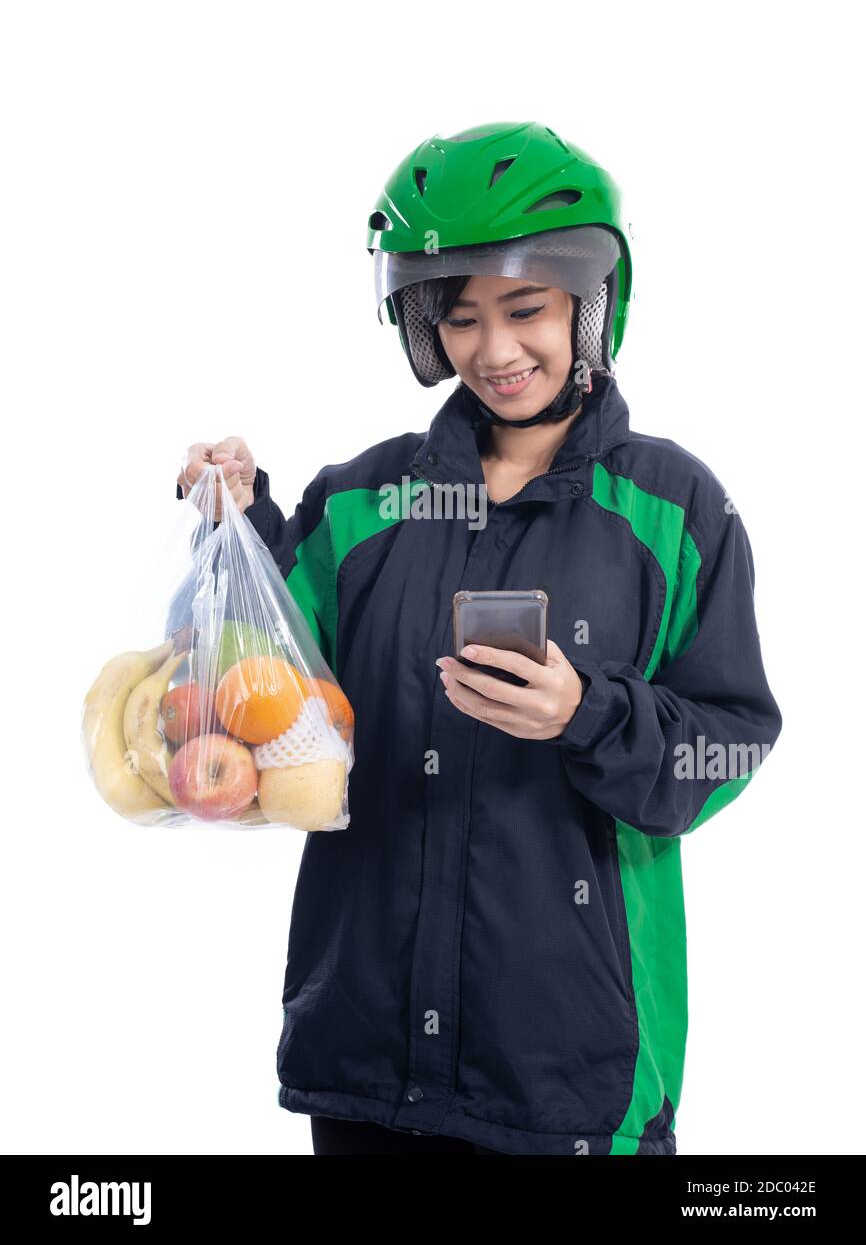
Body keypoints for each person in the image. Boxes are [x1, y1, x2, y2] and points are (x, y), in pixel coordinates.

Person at [177, 120, 782, 1156]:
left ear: (590, 301)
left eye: (525, 310)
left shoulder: (675, 508)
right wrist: (240, 522)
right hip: (366, 1061)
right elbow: (267, 690)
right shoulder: (361, 501)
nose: (494, 353)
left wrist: (584, 714)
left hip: (567, 1073)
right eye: (459, 319)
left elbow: (723, 746)